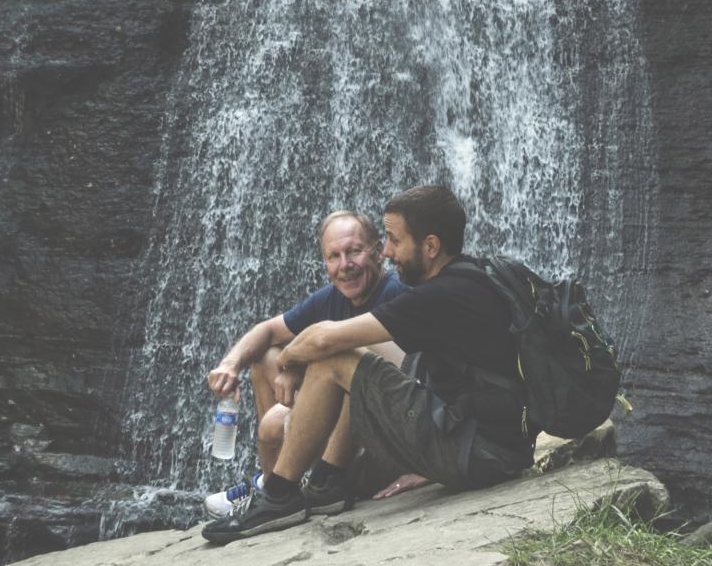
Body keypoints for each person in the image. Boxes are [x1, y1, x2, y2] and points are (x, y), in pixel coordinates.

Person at [202, 184, 534, 543]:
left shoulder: (433, 297)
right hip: (489, 445)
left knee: (336, 359)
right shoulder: (467, 279)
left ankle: (281, 494)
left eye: (393, 240)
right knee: (339, 352)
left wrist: (290, 362)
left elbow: (327, 340)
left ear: (430, 246)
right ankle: (321, 481)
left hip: (481, 454)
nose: (388, 252)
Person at [203, 210, 408, 518]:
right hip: (338, 422)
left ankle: (279, 489)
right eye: (334, 256)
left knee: (277, 421)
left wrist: (294, 364)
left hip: (380, 441)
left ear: (378, 252)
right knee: (263, 358)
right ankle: (275, 482)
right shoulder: (331, 298)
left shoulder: (396, 294)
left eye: (353, 251)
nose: (345, 266)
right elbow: (269, 330)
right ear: (325, 263)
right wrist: (231, 365)